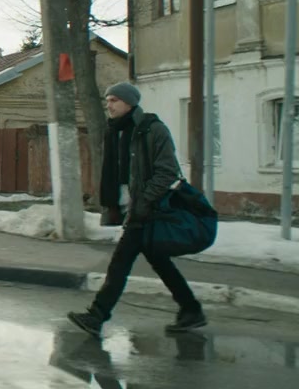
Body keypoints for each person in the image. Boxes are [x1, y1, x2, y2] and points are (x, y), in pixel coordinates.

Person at [68, 82, 206, 337]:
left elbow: (167, 172)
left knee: (119, 265)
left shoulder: (152, 129)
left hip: (149, 211)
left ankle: (97, 316)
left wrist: (143, 201)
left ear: (130, 103)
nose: (109, 105)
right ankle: (191, 310)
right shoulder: (115, 131)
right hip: (134, 210)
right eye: (107, 100)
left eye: (114, 100)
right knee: (160, 263)